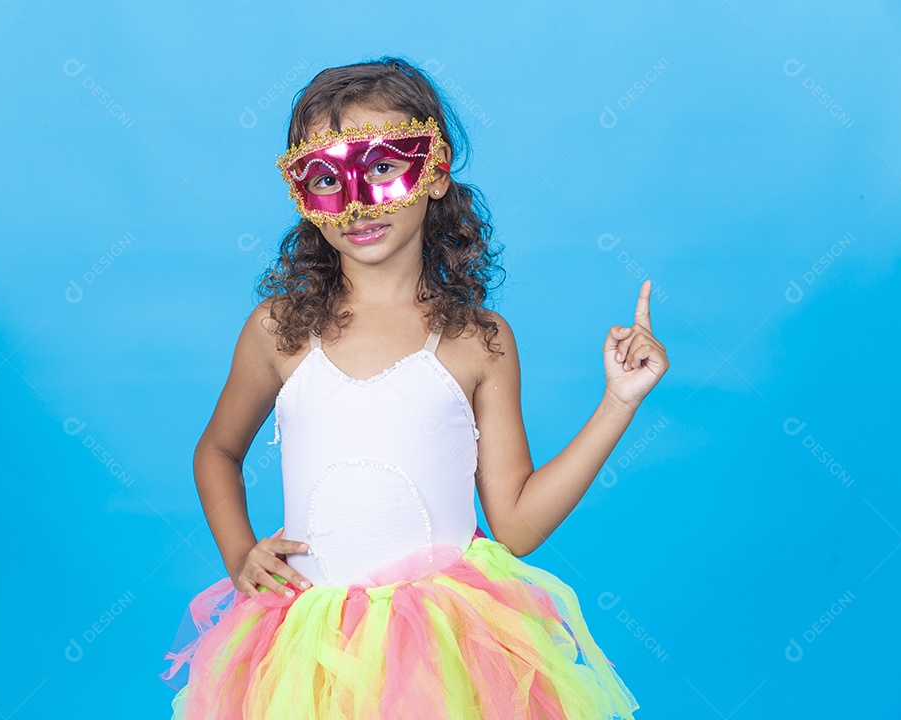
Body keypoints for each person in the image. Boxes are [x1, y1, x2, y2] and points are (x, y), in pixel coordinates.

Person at [161, 56, 666, 719]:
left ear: (435, 169)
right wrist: (239, 555)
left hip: (446, 652)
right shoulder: (278, 331)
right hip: (310, 656)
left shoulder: (478, 340)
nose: (357, 202)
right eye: (326, 177)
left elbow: (513, 525)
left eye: (379, 167)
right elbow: (217, 451)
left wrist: (618, 402)